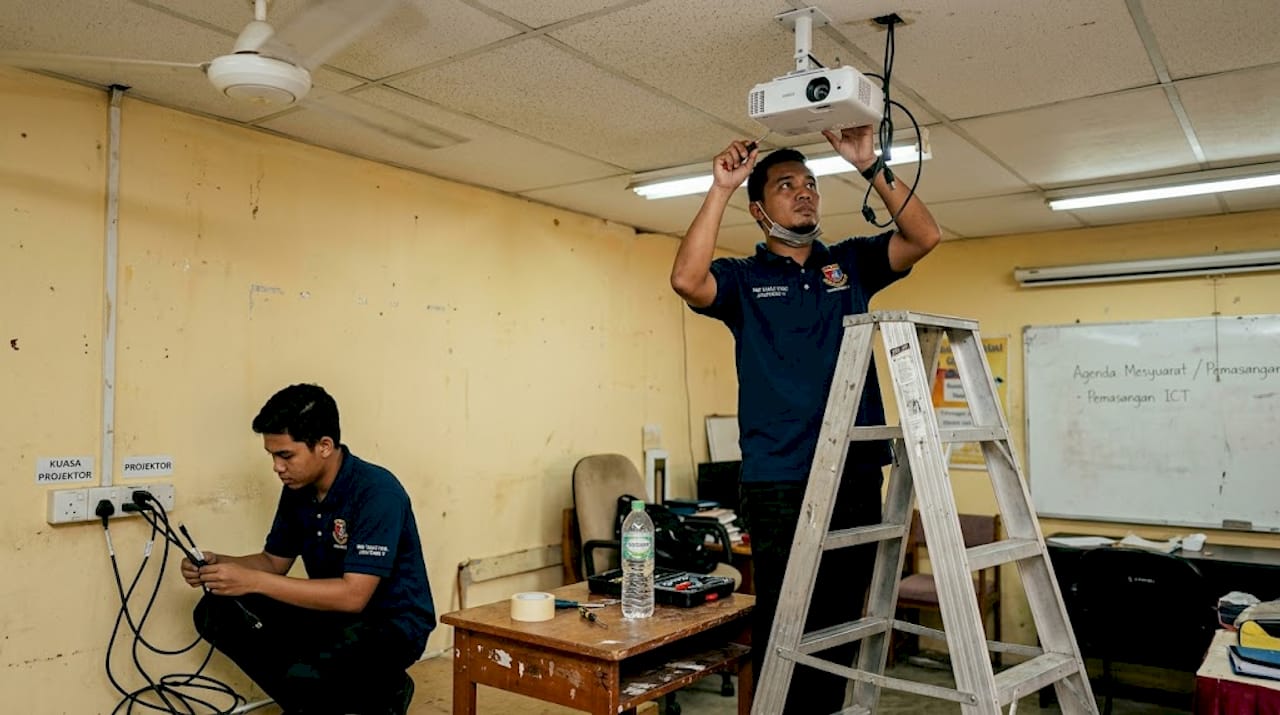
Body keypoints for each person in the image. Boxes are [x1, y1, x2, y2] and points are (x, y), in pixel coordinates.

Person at [670, 126, 941, 713]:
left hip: (854, 471)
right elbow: (688, 281)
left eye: (811, 184)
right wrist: (720, 188)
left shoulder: (849, 264)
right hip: (781, 479)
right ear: (760, 209)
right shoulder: (744, 278)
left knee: (841, 622)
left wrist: (870, 164)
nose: (805, 193)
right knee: (787, 623)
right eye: (786, 185)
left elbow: (924, 236)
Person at [181, 384, 435, 715]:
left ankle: (385, 690)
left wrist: (252, 581)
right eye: (272, 456)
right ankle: (317, 704)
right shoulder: (298, 489)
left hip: (391, 624)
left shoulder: (377, 492)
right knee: (216, 611)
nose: (277, 467)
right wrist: (219, 565)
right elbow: (273, 563)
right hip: (333, 613)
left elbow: (353, 596)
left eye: (286, 455)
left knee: (307, 668)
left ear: (325, 446)